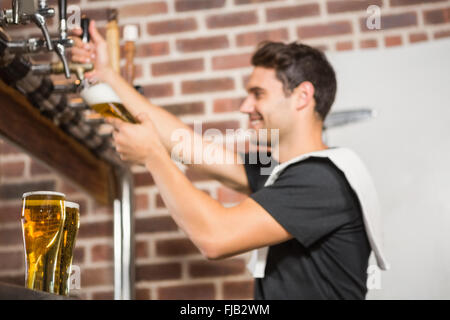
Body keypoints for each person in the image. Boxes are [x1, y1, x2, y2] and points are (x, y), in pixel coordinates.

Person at [71, 21, 386, 300]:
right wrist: (108, 74)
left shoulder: (323, 179)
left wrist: (153, 156)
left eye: (257, 94)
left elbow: (215, 237)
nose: (244, 106)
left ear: (302, 96)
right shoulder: (280, 173)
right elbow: (184, 143)